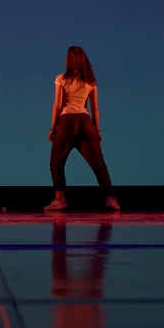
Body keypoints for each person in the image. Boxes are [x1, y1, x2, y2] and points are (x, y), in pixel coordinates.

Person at [44, 46, 119, 211]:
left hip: (67, 122)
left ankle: (60, 200)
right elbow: (95, 108)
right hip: (86, 122)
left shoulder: (61, 79)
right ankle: (110, 199)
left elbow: (58, 105)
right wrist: (97, 130)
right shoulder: (90, 81)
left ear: (68, 61)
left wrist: (52, 127)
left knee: (56, 162)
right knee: (98, 163)